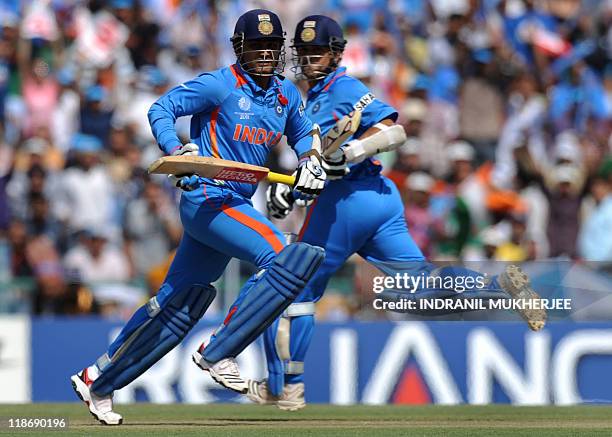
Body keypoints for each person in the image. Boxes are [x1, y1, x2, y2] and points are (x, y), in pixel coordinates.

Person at [248, 15, 547, 411]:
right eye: (304, 52)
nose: (309, 58)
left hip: (347, 203)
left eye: (318, 51)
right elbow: (317, 164)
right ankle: (502, 288)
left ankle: (289, 385)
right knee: (423, 285)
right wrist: (291, 191)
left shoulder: (343, 87)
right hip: (377, 199)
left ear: (336, 53)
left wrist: (350, 153)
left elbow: (393, 130)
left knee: (297, 289)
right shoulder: (311, 98)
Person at [69, 9, 327, 425]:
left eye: (270, 46)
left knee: (178, 305)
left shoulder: (285, 95)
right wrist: (180, 149)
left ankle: (98, 379)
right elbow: (162, 108)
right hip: (206, 195)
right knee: (283, 255)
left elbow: (303, 131)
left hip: (235, 202)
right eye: (256, 46)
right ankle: (220, 349)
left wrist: (311, 158)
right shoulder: (220, 84)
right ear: (240, 49)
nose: (264, 54)